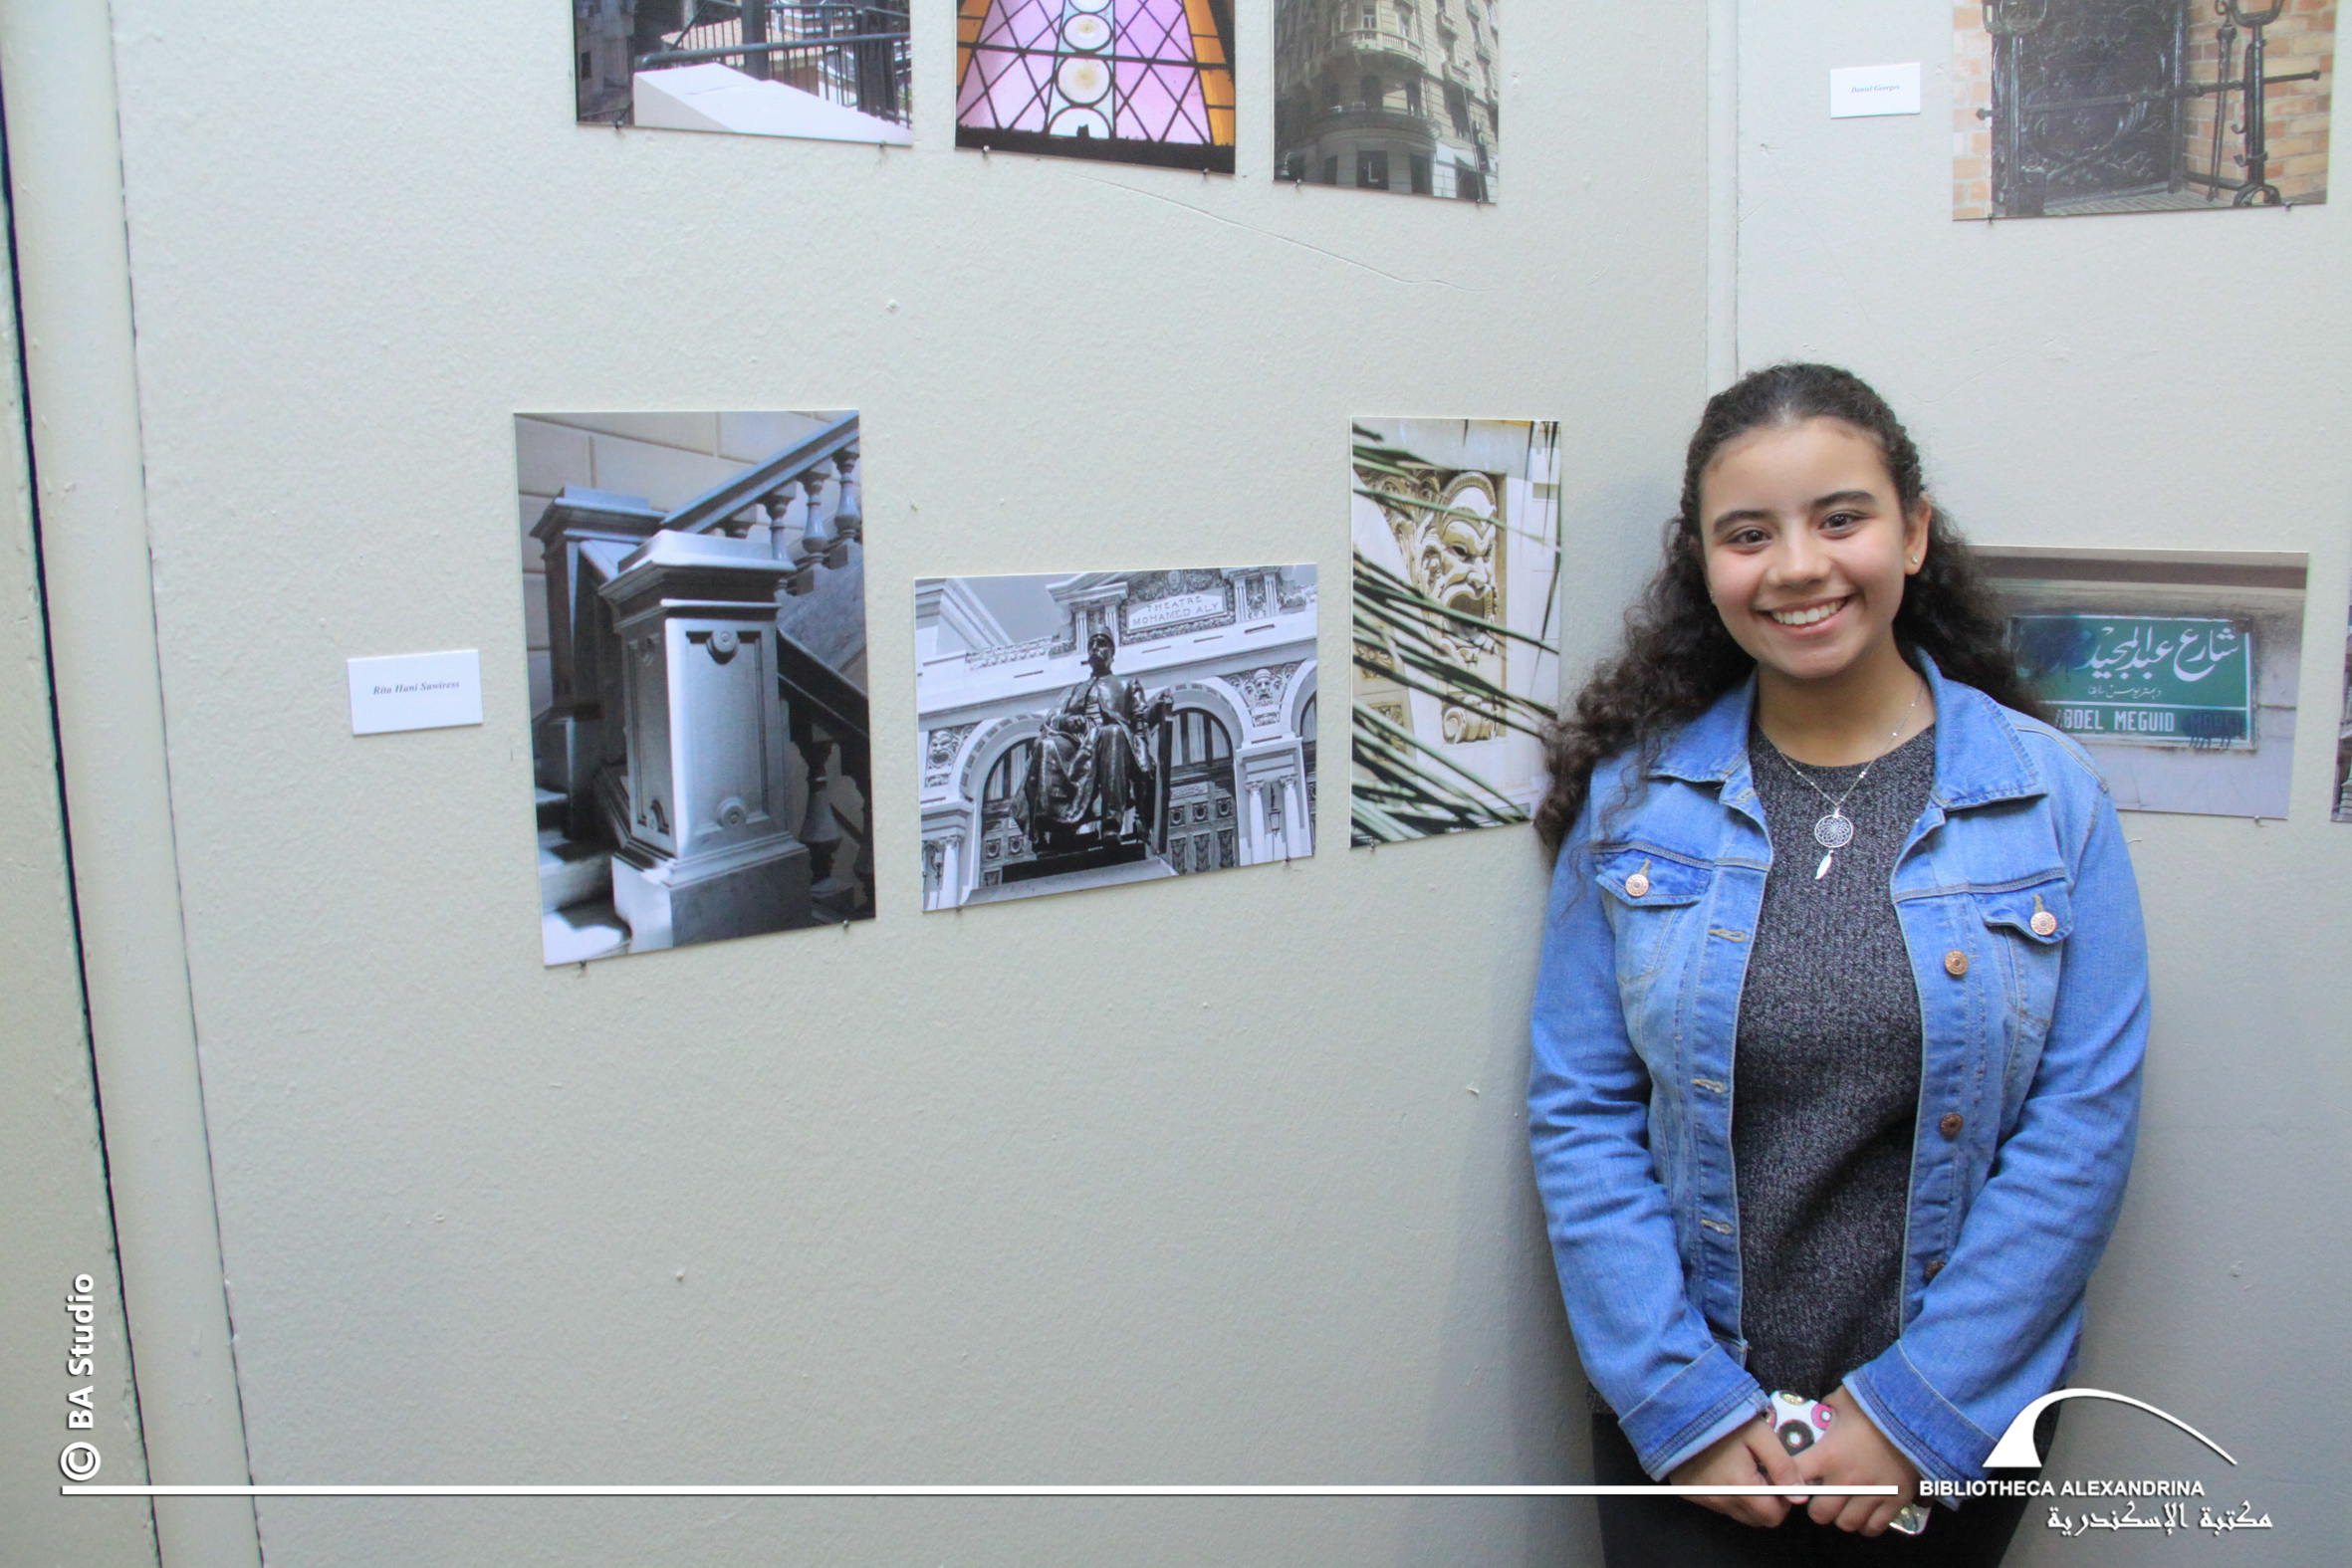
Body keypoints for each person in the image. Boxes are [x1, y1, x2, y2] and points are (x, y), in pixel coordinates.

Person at [1527, 364, 2148, 1564]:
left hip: (1948, 1422)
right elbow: (1580, 1112)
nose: (1798, 566)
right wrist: (1681, 1404)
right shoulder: (1637, 803)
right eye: (1748, 534)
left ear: (1912, 534)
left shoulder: (2048, 799)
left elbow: (2081, 1132)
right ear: (1703, 564)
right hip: (1691, 1426)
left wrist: (1916, 1413)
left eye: (1840, 518)